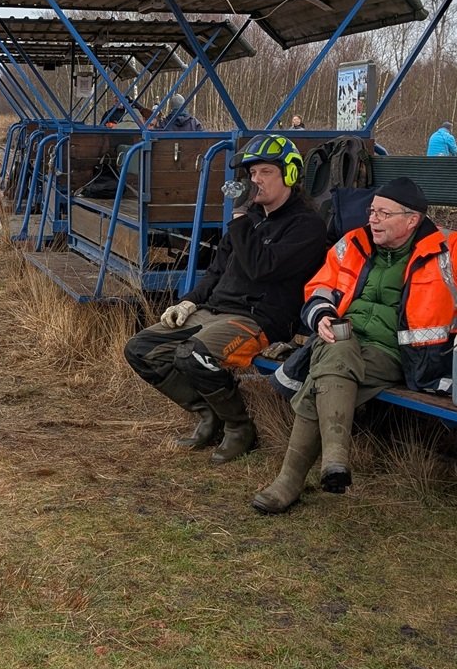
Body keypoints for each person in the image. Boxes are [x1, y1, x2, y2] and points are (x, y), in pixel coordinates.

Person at [251, 176, 457, 513]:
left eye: (383, 213)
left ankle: (293, 479)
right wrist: (321, 315)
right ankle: (332, 462)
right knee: (336, 350)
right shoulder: (354, 242)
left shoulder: (446, 248)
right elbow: (320, 286)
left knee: (326, 373)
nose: (373, 219)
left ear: (412, 220)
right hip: (338, 337)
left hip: (396, 355)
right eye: (371, 211)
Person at [124, 134, 329, 463]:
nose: (256, 180)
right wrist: (189, 302)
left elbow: (262, 268)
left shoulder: (306, 226)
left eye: (266, 172)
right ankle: (208, 414)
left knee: (192, 355)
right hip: (214, 311)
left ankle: (239, 427)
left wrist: (241, 220)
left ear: (290, 175)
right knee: (140, 349)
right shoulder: (249, 220)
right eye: (252, 173)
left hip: (257, 319)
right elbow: (216, 271)